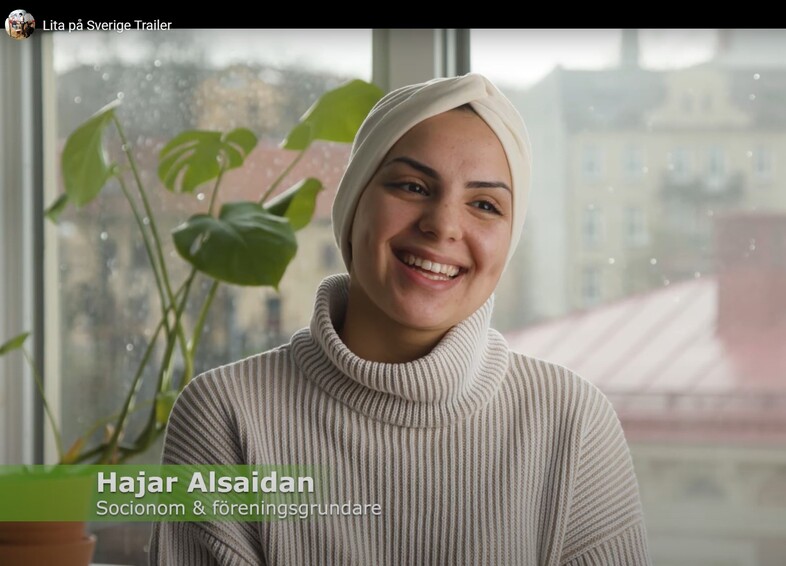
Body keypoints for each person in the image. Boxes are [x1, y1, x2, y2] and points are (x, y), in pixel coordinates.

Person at [149, 72, 652, 565]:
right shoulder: (226, 416)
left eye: (484, 204)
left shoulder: (572, 423)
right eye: (413, 186)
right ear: (353, 205)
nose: (443, 225)